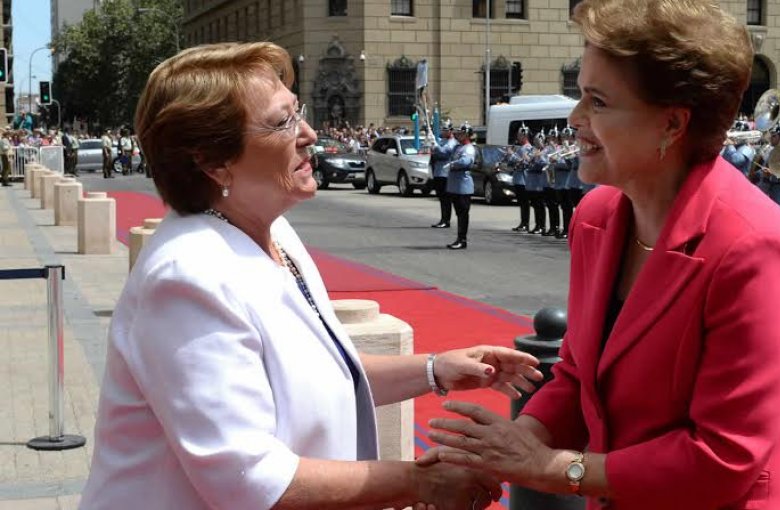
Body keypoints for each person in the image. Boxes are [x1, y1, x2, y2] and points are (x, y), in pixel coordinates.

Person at [80, 42, 544, 510]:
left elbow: (319, 374)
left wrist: (435, 369)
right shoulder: (187, 278)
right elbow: (249, 478)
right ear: (213, 161)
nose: (308, 132)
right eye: (282, 122)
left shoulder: (273, 231)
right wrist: (420, 481)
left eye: (296, 111)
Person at [420, 1, 780, 508]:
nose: (575, 119)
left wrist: (552, 468)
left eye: (597, 102)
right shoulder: (597, 216)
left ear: (672, 124)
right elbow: (578, 375)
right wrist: (506, 445)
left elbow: (722, 459)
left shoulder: (757, 249)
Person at [444, 122, 476, 250]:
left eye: (461, 133)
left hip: (463, 185)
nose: (459, 135)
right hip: (455, 185)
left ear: (466, 134)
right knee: (459, 213)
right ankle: (459, 238)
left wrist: (453, 164)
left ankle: (462, 239)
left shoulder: (468, 148)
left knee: (463, 214)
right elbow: (446, 152)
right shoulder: (458, 147)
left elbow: (466, 161)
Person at [430, 120, 457, 229]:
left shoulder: (452, 142)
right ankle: (443, 219)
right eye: (443, 130)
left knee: (446, 198)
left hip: (445, 173)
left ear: (450, 131)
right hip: (438, 171)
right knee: (441, 197)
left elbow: (445, 153)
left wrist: (435, 146)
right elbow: (435, 152)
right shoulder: (442, 140)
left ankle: (446, 220)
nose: (444, 132)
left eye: (446, 130)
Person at [506, 125, 534, 232]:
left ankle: (525, 223)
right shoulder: (521, 148)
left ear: (524, 135)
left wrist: (512, 154)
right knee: (522, 203)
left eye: (519, 135)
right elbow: (512, 163)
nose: (517, 137)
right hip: (518, 178)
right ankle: (523, 222)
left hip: (523, 179)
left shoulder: (527, 148)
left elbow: (523, 163)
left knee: (524, 203)